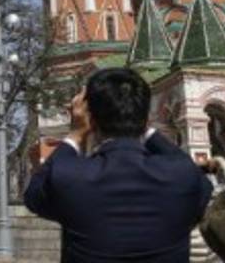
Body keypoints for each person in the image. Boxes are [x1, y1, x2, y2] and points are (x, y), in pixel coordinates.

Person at [24, 67, 212, 261]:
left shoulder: (68, 177)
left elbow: (34, 196)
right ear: (146, 117)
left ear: (90, 119)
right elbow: (199, 181)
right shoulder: (184, 176)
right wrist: (145, 127)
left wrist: (75, 133)